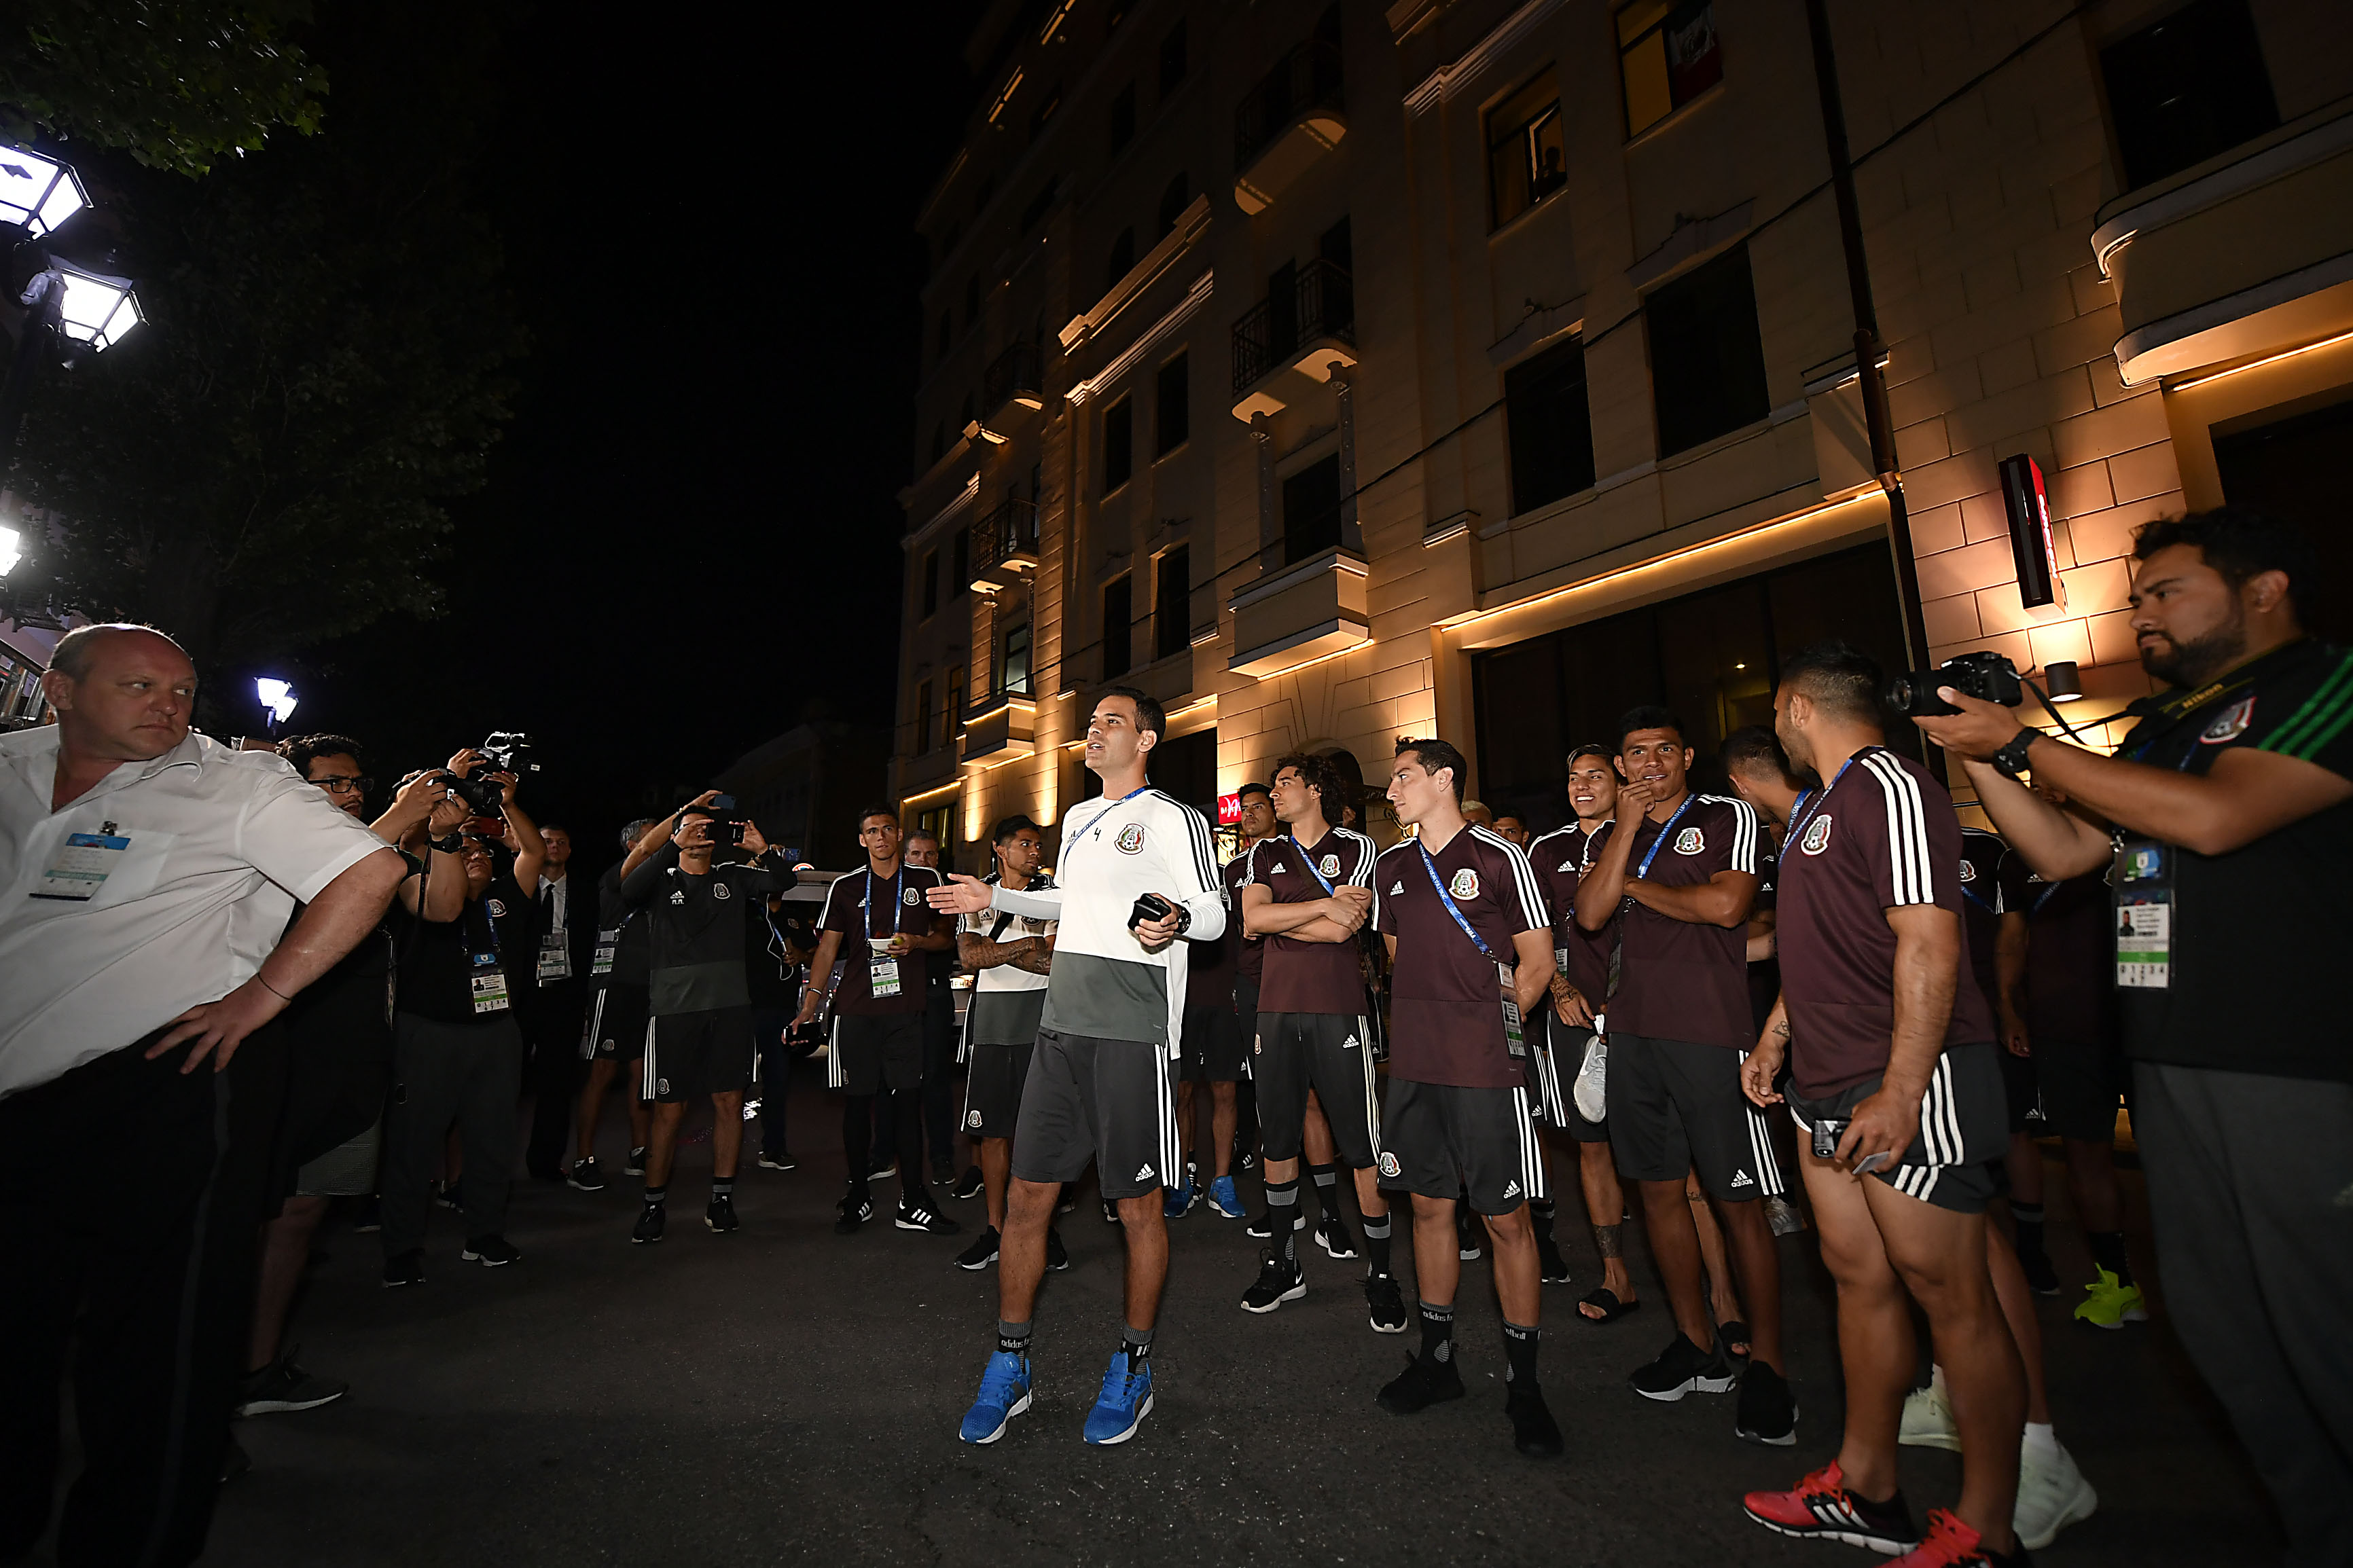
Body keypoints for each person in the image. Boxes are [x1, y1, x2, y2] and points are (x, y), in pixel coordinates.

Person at [1914, 508, 2353, 1564]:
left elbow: (2213, 820)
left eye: (2167, 592)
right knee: (2230, 1338)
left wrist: (2023, 739)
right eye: (2138, 597)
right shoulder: (2162, 726)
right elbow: (2068, 852)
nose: (2142, 612)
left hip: (2296, 1065)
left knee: (2330, 1331)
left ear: (2263, 589)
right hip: (2168, 1063)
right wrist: (1979, 757)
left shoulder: (2318, 686)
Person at [0, 624, 406, 1568]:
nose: (168, 707)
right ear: (58, 691)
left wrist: (262, 994)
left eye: (181, 690)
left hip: (165, 1082)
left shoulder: (233, 783)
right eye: (139, 685)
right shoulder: (11, 768)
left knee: (153, 1354)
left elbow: (371, 871)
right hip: (17, 1101)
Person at [1739, 640, 2026, 1568]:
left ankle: (1989, 1527)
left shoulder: (1888, 784)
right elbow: (1823, 943)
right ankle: (1868, 1486)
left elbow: (1931, 940)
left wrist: (1904, 1088)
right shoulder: (1816, 805)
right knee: (1858, 1279)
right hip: (1824, 1083)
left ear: (1795, 707)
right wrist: (1778, 1033)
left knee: (1954, 1299)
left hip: (1908, 1079)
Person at [929, 687, 1225, 1446]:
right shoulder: (1078, 816)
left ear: (1148, 738)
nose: (1093, 733)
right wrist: (992, 891)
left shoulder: (1173, 817)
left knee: (1137, 1208)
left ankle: (1133, 1365)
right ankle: (1011, 1360)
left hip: (1132, 1028)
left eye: (1111, 723)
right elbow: (1073, 897)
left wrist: (1177, 920)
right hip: (1058, 1026)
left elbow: (1216, 909)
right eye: (1089, 724)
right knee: (1027, 1199)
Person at [1576, 706, 1793, 1443]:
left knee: (1736, 1202)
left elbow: (1728, 905)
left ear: (1686, 755)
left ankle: (1768, 1362)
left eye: (1663, 750)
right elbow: (1590, 911)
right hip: (1632, 1032)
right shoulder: (1611, 834)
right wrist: (1627, 838)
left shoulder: (1724, 812)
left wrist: (1638, 889)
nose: (1649, 764)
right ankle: (1694, 1341)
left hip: (1710, 1033)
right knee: (1658, 1195)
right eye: (1635, 753)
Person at [239, 740, 466, 1421]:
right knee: (245, 1216)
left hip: (350, 1058)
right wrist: (399, 815)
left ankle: (256, 1369)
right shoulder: (266, 841)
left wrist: (444, 838)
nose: (350, 792)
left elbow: (445, 907)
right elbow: (319, 890)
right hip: (277, 1052)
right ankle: (196, 1383)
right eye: (332, 782)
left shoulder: (378, 845)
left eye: (356, 782)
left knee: (302, 1213)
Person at [1369, 737, 1562, 1456]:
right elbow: (1399, 964)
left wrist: (1497, 1041)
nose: (1392, 790)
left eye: (1404, 777)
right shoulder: (1391, 865)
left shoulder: (1498, 856)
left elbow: (1535, 962)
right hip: (1416, 1069)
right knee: (1427, 1206)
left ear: (1443, 778)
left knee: (1505, 1217)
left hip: (1487, 1069)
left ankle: (1524, 1383)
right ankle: (1438, 1358)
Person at [1236, 752, 1402, 1331]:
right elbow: (1251, 921)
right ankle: (1283, 1262)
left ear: (1313, 789)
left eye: (1284, 783)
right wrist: (1312, 909)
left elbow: (1345, 927)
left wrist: (1283, 916)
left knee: (1361, 1147)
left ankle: (1381, 1273)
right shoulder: (1264, 851)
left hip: (1338, 1012)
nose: (1274, 793)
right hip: (1274, 1012)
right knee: (1278, 1142)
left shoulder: (1358, 847)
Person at [378, 753, 547, 1286]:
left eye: (480, 848)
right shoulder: (418, 892)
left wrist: (509, 803)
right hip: (429, 1030)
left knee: (494, 1140)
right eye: (462, 848)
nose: (473, 854)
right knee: (415, 1142)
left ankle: (485, 1234)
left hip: (497, 1032)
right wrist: (436, 826)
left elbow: (534, 851)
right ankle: (402, 1249)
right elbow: (411, 846)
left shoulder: (505, 899)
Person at [619, 795, 800, 1242]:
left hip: (730, 1008)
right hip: (674, 1011)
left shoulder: (732, 876)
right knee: (669, 1110)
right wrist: (668, 840)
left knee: (728, 1103)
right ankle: (653, 1203)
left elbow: (781, 881)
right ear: (678, 834)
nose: (700, 833)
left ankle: (721, 1199)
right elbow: (626, 888)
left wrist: (762, 849)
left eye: (707, 828)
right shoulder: (659, 880)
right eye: (691, 828)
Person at [1995, 824, 2140, 1326]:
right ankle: (2117, 1284)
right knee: (2086, 1156)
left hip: (2143, 1025)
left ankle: (2199, 1286)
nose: (2046, 791)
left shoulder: (2132, 843)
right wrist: (2011, 1010)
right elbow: (2013, 939)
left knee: (2178, 1160)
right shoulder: (2015, 860)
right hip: (2061, 1030)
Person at [795, 805, 958, 1236]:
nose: (881, 836)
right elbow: (828, 950)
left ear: (898, 835)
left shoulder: (926, 881)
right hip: (856, 1011)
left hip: (906, 1011)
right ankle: (858, 1195)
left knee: (908, 1104)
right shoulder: (846, 888)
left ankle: (913, 1199)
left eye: (888, 829)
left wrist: (919, 941)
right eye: (872, 831)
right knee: (857, 1104)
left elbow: (946, 937)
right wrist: (811, 1005)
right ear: (862, 840)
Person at [1526, 744, 1636, 1318]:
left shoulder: (1643, 834)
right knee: (1591, 1145)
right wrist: (1561, 990)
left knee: (1669, 1150)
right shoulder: (1547, 848)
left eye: (1596, 775)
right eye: (1574, 777)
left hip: (1643, 1014)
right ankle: (1616, 1276)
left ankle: (1719, 1294)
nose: (1583, 785)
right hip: (1571, 1017)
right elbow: (1533, 932)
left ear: (1619, 779)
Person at [951, 815, 1067, 1273]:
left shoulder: (1051, 894)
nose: (1034, 852)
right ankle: (997, 1228)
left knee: (1043, 1133)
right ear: (1000, 849)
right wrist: (1026, 946)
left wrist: (1014, 951)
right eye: (1024, 844)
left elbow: (1055, 960)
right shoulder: (976, 895)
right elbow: (972, 955)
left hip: (1044, 1023)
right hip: (995, 1028)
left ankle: (1043, 1227)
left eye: (1038, 845)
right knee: (994, 1134)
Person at [569, 818, 657, 1189]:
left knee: (642, 1072)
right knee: (603, 1071)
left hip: (649, 989)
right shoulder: (616, 877)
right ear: (632, 844)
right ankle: (583, 1158)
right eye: (652, 835)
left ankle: (640, 1151)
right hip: (613, 985)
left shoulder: (660, 884)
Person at [523, 821, 597, 1180]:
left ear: (569, 850)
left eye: (560, 842)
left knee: (557, 1085)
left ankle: (545, 1163)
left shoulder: (586, 892)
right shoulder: (518, 888)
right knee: (504, 1083)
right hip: (521, 996)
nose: (553, 847)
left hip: (565, 995)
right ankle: (479, 1169)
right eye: (546, 841)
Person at [903, 826, 963, 1191]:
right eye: (916, 855)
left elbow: (945, 939)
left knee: (937, 1080)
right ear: (904, 856)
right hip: (895, 995)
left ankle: (941, 1157)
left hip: (934, 993)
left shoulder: (947, 895)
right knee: (892, 1080)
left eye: (929, 855)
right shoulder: (891, 889)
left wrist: (919, 941)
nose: (923, 861)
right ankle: (884, 1154)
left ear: (937, 859)